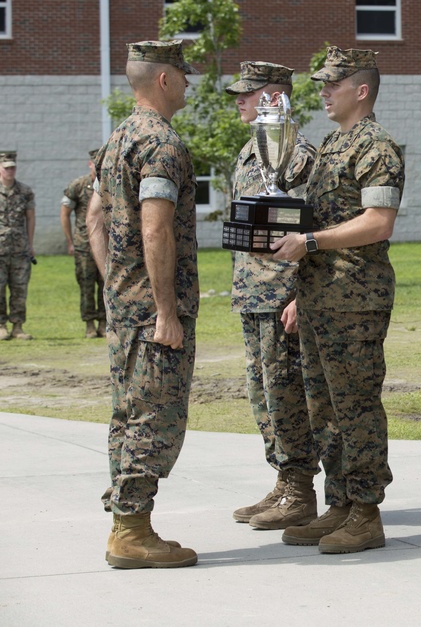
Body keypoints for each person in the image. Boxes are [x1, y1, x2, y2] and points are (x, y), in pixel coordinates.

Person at [271, 46, 403, 555]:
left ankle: (367, 512)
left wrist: (310, 244)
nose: (323, 91)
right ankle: (341, 504)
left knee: (356, 407)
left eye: (333, 83)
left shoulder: (377, 146)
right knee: (324, 408)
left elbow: (378, 222)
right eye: (322, 83)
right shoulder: (332, 143)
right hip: (322, 295)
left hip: (356, 298)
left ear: (362, 89)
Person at [87, 40, 200, 569]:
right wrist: (165, 310)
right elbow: (155, 229)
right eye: (184, 73)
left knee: (128, 414)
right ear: (163, 79)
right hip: (152, 313)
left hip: (126, 305)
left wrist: (117, 285)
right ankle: (131, 531)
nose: (189, 83)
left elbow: (95, 218)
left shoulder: (118, 139)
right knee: (154, 417)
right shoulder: (159, 143)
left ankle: (128, 525)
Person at [225, 61, 319, 529]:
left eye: (250, 93)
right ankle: (283, 480)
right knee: (263, 395)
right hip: (252, 294)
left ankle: (301, 489)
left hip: (283, 296)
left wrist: (303, 295)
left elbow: (314, 231)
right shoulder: (249, 152)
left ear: (276, 98)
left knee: (287, 394)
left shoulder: (298, 154)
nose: (240, 100)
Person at [61, 150, 106, 339]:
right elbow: (65, 213)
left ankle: (104, 322)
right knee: (86, 284)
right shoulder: (78, 185)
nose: (98, 167)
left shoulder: (110, 184)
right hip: (84, 245)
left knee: (106, 283)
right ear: (90, 164)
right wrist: (70, 241)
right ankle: (89, 324)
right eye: (95, 164)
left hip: (107, 244)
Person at [0, 151, 35, 341]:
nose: (10, 171)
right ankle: (1, 326)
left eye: (12, 167)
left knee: (20, 289)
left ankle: (18, 326)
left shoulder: (25, 191)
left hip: (20, 249)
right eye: (6, 168)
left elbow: (30, 218)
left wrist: (30, 244)